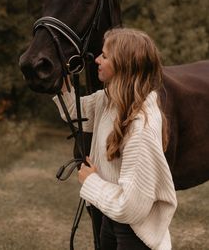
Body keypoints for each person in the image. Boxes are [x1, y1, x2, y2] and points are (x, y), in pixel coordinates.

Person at [53, 28, 177, 250]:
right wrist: (60, 75)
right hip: (110, 218)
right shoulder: (108, 101)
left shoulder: (141, 129)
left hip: (134, 231)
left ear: (124, 65)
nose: (97, 60)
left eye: (105, 56)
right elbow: (74, 112)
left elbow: (132, 208)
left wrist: (91, 181)